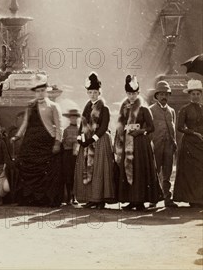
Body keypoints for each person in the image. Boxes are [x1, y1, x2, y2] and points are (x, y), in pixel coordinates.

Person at [11, 74, 63, 207]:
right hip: (30, 143)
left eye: (42, 91)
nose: (40, 93)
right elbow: (25, 123)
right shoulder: (30, 106)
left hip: (47, 143)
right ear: (35, 92)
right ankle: (29, 198)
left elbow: (59, 126)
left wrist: (57, 142)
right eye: (38, 91)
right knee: (25, 167)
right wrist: (17, 136)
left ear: (46, 91)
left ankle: (45, 199)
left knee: (47, 171)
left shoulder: (53, 106)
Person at [114, 75, 162, 211]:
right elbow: (120, 126)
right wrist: (123, 130)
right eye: (129, 93)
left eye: (134, 93)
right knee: (129, 170)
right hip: (127, 142)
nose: (132, 96)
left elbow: (151, 127)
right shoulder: (124, 108)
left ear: (138, 93)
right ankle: (131, 200)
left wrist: (140, 131)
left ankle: (140, 200)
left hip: (140, 143)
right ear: (126, 94)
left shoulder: (144, 109)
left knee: (139, 170)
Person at [73, 72, 116, 209]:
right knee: (87, 168)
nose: (93, 95)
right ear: (87, 93)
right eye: (90, 92)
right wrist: (80, 137)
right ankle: (91, 198)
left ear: (99, 92)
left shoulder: (104, 108)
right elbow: (82, 124)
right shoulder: (86, 107)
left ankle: (100, 199)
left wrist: (92, 139)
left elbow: (103, 127)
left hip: (100, 140)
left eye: (95, 92)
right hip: (87, 141)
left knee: (99, 169)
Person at [148, 80, 178, 208]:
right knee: (155, 171)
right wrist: (150, 144)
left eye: (166, 94)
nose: (164, 97)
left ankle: (167, 198)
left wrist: (174, 142)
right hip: (156, 145)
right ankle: (153, 199)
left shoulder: (171, 111)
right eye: (161, 94)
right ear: (156, 96)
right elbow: (148, 128)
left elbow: (173, 128)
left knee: (168, 171)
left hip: (169, 146)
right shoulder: (151, 110)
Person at [173, 79, 203, 207]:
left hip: (201, 143)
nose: (195, 96)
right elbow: (179, 127)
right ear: (189, 95)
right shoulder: (184, 109)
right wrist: (193, 133)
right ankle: (192, 199)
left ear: (201, 95)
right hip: (189, 144)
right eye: (193, 94)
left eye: (198, 94)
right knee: (191, 171)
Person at [61, 109, 80, 205]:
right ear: (69, 119)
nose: (73, 119)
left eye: (75, 117)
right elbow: (63, 143)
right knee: (68, 175)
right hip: (68, 154)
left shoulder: (80, 129)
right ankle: (68, 196)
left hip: (77, 155)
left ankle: (74, 196)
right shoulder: (66, 130)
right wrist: (70, 142)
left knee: (76, 175)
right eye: (71, 117)